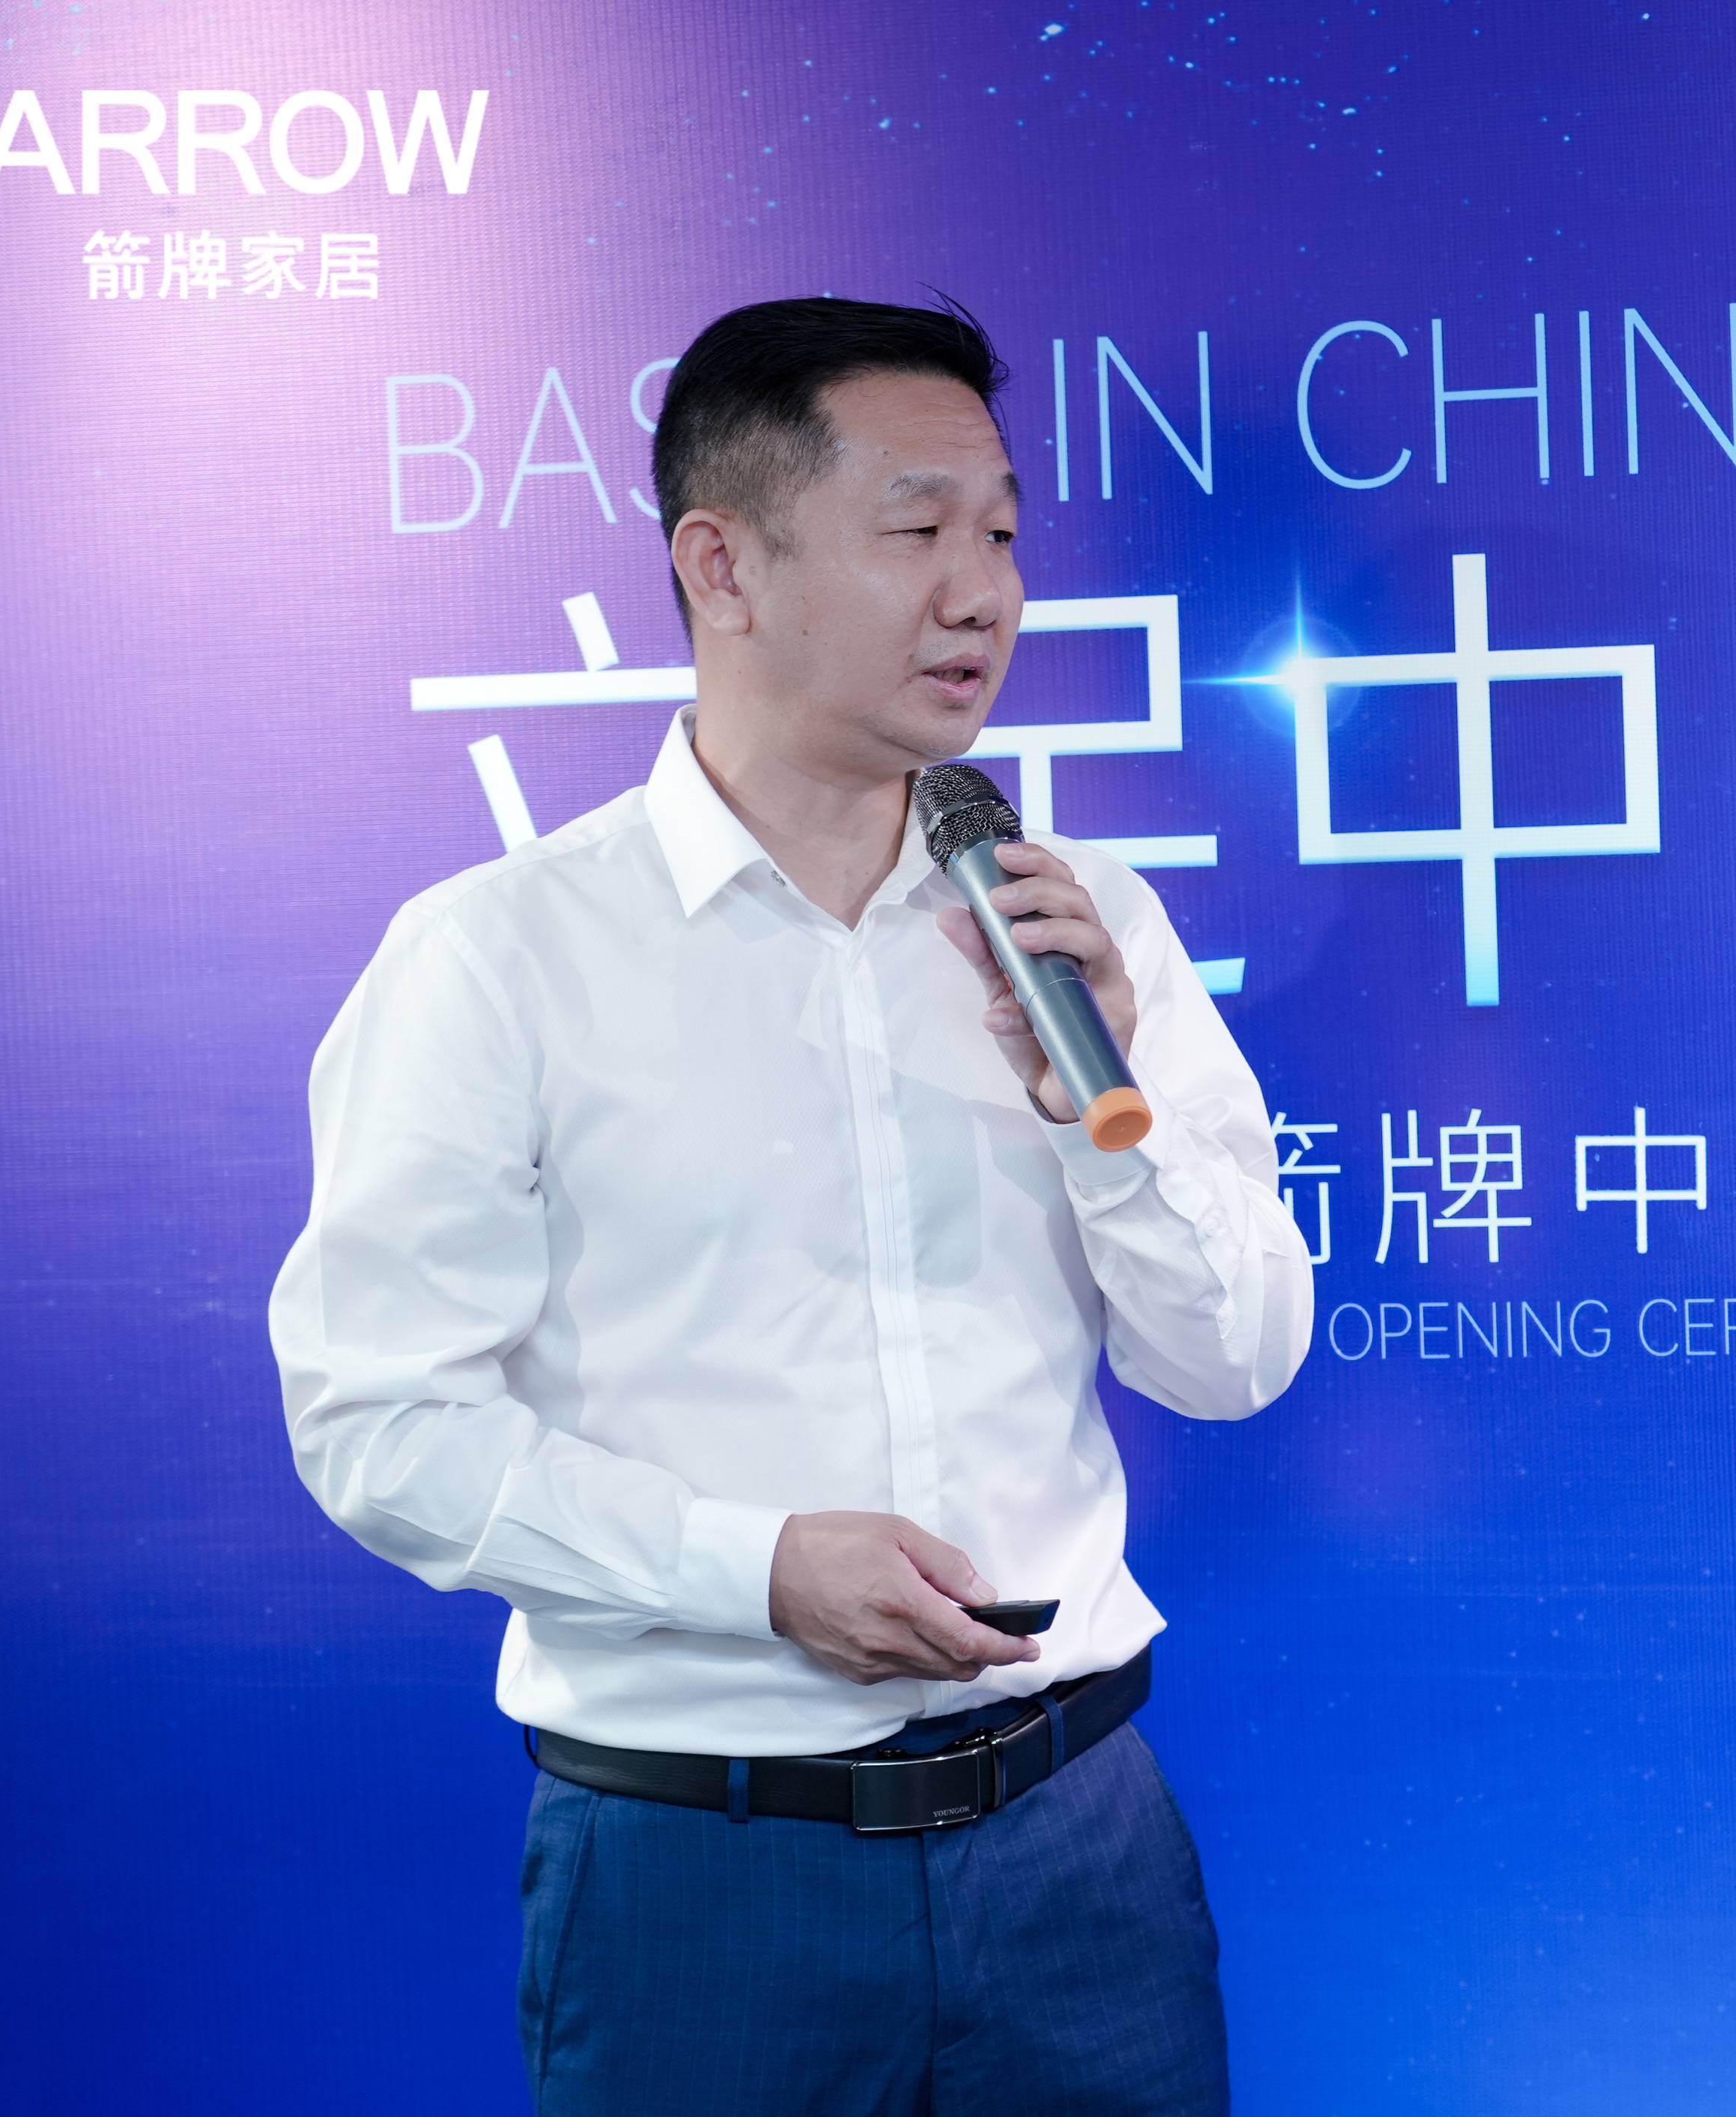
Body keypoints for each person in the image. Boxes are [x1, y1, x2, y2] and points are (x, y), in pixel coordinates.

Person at [270, 295, 1311, 2115]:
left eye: (1003, 533)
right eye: (918, 531)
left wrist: (1099, 1115)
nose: (983, 594)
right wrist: (752, 1571)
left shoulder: (1083, 928)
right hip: (702, 1878)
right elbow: (382, 1425)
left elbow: (1235, 1362)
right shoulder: (500, 958)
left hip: (1081, 1855)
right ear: (722, 565)